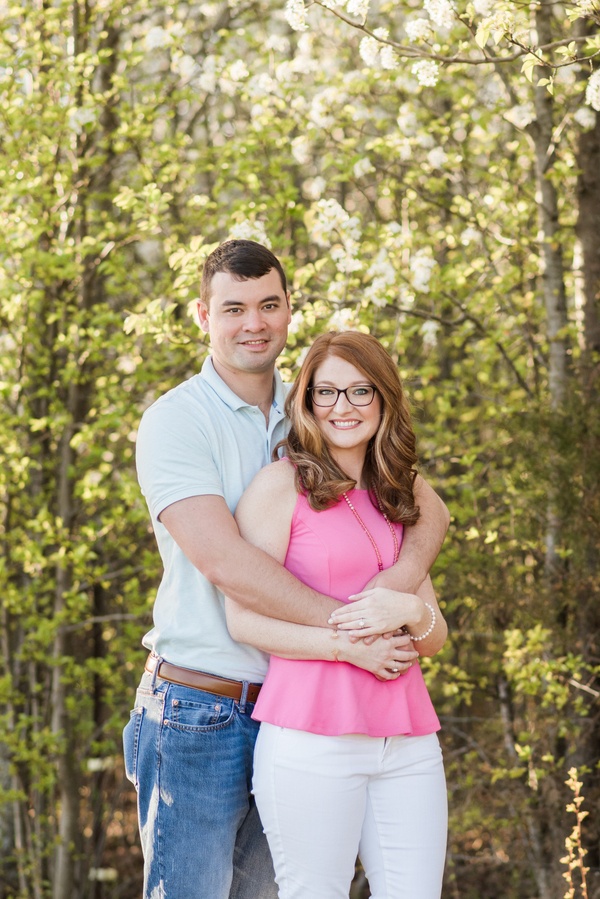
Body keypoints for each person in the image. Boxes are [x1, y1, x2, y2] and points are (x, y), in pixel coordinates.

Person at [124, 239, 449, 899]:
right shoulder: (178, 421)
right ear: (201, 315)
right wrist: (356, 629)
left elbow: (423, 505)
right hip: (201, 707)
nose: (254, 322)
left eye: (268, 304)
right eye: (234, 307)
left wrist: (409, 588)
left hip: (292, 704)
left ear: (288, 309)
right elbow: (225, 562)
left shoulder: (312, 410)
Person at [225, 330, 448, 899]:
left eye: (359, 391)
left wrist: (406, 609)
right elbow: (243, 621)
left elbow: (433, 634)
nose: (342, 408)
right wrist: (345, 646)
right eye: (326, 393)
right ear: (305, 401)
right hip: (310, 737)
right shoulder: (281, 488)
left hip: (407, 740)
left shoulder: (400, 495)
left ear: (384, 399)